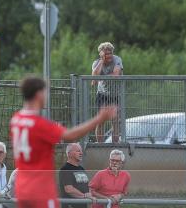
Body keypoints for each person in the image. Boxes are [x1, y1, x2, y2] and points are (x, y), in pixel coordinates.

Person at [10, 77, 116, 208]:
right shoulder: (39, 124)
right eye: (46, 92)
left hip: (23, 188)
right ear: (38, 94)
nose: (47, 96)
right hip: (40, 189)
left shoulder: (16, 120)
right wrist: (99, 118)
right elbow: (70, 136)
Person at [91, 43, 123, 142]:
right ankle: (99, 145)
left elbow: (116, 74)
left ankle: (115, 144)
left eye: (110, 53)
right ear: (100, 54)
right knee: (100, 121)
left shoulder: (117, 59)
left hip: (115, 95)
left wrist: (101, 77)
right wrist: (101, 62)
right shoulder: (96, 63)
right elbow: (94, 82)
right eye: (106, 54)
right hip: (102, 94)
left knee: (115, 121)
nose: (109, 56)